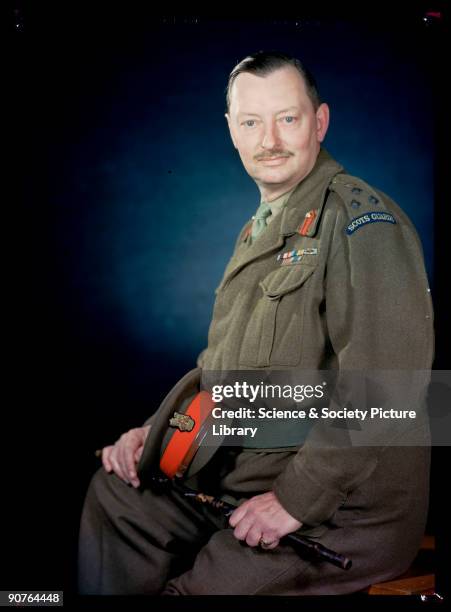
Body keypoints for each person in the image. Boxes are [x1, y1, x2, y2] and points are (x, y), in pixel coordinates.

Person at [78, 51, 434, 595]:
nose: (269, 139)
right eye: (251, 122)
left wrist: (295, 501)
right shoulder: (262, 230)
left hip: (339, 508)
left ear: (319, 122)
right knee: (118, 499)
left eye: (287, 119)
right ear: (232, 131)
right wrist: (155, 433)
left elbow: (391, 385)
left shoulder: (360, 222)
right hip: (243, 476)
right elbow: (220, 369)